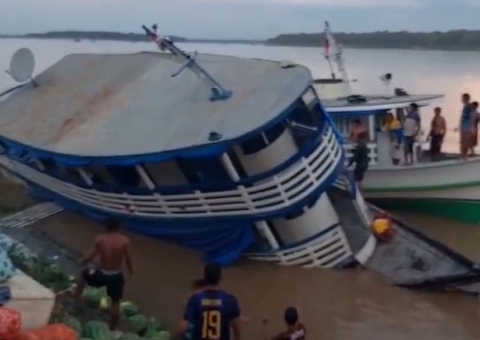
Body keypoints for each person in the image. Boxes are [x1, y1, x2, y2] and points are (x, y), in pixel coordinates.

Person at [74, 219, 134, 330]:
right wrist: (131, 273)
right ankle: (112, 327)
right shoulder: (124, 241)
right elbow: (128, 259)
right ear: (118, 228)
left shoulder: (100, 239)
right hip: (116, 276)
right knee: (115, 302)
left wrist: (82, 261)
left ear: (106, 227)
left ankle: (76, 299)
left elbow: (90, 257)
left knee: (84, 273)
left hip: (101, 274)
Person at [175, 264, 242, 340]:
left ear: (205, 278)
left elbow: (184, 325)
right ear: (220, 278)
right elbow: (236, 326)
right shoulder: (230, 300)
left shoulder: (196, 299)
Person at [459, 93, 474, 161]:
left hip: (466, 128)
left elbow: (470, 117)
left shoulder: (469, 106)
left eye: (463, 98)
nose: (462, 99)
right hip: (464, 127)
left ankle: (465, 157)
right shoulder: (465, 106)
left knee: (465, 143)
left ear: (466, 99)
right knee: (463, 142)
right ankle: (463, 156)